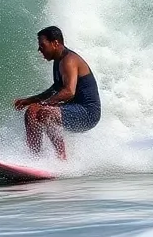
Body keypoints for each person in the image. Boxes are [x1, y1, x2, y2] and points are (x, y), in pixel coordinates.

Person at [13, 26, 101, 159]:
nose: (39, 49)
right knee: (31, 111)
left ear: (55, 43)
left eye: (42, 45)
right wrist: (30, 101)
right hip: (72, 110)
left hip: (87, 114)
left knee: (45, 113)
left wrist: (44, 104)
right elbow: (56, 89)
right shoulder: (58, 61)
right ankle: (34, 158)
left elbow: (69, 91)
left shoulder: (69, 60)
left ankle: (61, 158)